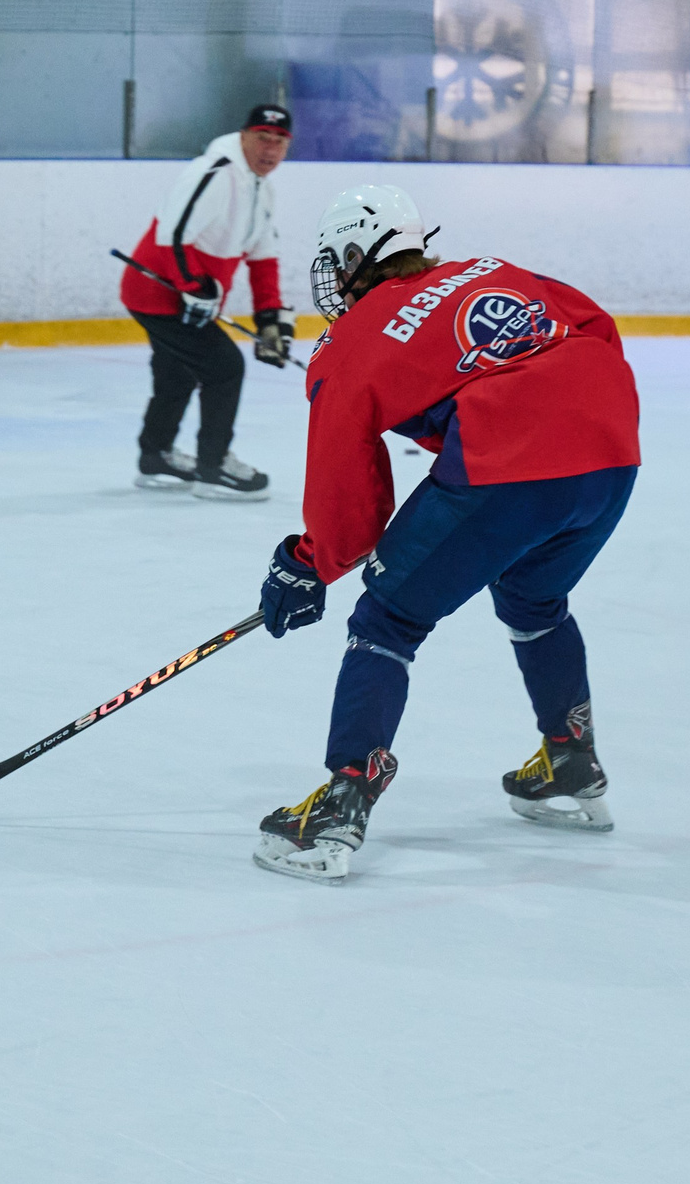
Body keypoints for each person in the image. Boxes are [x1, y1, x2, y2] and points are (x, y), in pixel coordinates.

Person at [249, 184, 642, 882]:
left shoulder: (351, 341)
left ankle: (340, 808)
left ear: (351, 256)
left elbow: (346, 484)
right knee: (531, 597)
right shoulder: (494, 269)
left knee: (386, 618)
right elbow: (596, 326)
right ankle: (570, 757)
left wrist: (307, 562)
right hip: (613, 452)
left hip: (511, 465)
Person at [117, 102, 294, 500]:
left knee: (177, 372)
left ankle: (156, 456)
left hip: (184, 299)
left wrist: (270, 319)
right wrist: (193, 286)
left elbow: (264, 257)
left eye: (280, 142)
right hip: (158, 294)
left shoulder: (262, 190)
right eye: (262, 138)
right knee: (224, 367)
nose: (270, 149)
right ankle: (213, 466)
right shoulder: (215, 173)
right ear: (244, 136)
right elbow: (174, 235)